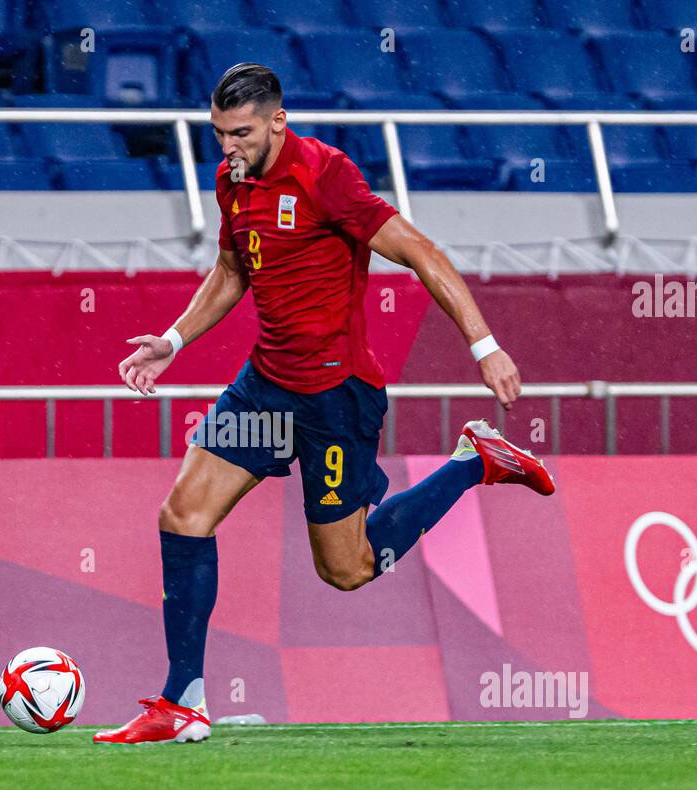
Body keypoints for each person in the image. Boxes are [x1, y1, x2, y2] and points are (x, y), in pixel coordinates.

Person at [96, 63, 554, 745]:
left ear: (279, 121)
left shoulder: (326, 174)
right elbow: (231, 272)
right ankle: (181, 702)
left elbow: (421, 251)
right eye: (219, 134)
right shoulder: (233, 181)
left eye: (242, 133)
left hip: (337, 395)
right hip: (267, 384)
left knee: (348, 569)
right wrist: (173, 339)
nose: (229, 148)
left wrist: (484, 346)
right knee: (183, 516)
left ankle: (472, 461)